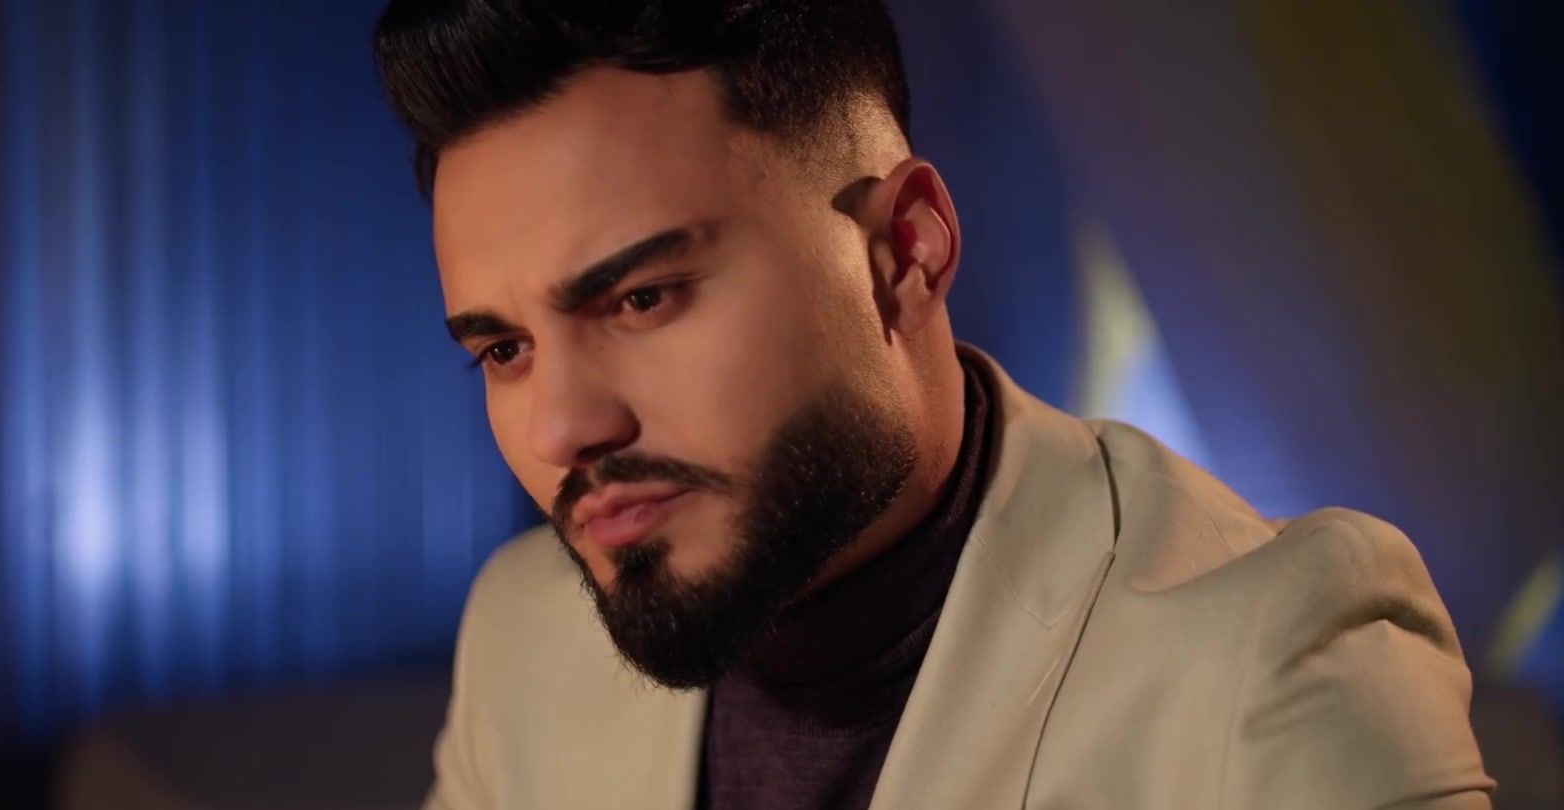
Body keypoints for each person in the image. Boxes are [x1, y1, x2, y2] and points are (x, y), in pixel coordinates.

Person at [370, 2, 1494, 807]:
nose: (562, 427)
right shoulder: (525, 641)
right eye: (505, 350)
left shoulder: (1278, 664)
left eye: (642, 298)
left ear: (905, 252)